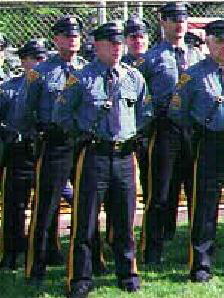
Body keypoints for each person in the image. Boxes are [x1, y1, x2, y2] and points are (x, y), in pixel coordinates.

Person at [56, 21, 152, 297]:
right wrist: (84, 135)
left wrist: (131, 134)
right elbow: (62, 114)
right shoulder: (82, 77)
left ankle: (127, 273)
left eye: (120, 43)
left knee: (125, 219)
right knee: (85, 220)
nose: (116, 48)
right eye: (111, 43)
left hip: (124, 156)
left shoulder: (134, 77)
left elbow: (145, 111)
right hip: (94, 154)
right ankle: (80, 278)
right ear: (97, 45)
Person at [168, 19, 224, 282]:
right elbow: (178, 111)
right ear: (208, 43)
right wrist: (199, 132)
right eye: (220, 41)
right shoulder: (193, 74)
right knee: (205, 206)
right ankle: (201, 264)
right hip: (210, 145)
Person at [19, 16, 89, 285]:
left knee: (85, 203)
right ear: (56, 40)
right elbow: (24, 111)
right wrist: (37, 136)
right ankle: (36, 265)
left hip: (82, 143)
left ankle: (89, 259)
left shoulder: (87, 69)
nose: (72, 40)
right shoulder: (41, 72)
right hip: (54, 142)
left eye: (75, 35)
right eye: (66, 35)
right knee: (46, 205)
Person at [139, 2, 203, 263]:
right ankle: (153, 248)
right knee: (160, 193)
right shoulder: (151, 58)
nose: (179, 25)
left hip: (195, 129)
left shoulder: (197, 56)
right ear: (163, 23)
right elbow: (138, 93)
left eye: (183, 19)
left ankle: (198, 245)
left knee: (197, 190)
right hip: (165, 129)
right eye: (173, 20)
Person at [0, 39, 47, 270]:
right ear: (23, 60)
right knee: (15, 205)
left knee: (46, 204)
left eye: (42, 58)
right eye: (35, 58)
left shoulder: (53, 87)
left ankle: (46, 249)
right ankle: (11, 251)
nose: (40, 63)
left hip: (45, 151)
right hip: (19, 154)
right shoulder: (9, 88)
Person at [121, 16, 150, 199]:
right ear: (126, 40)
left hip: (150, 130)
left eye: (141, 36)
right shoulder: (120, 64)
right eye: (133, 37)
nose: (138, 41)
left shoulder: (155, 60)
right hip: (126, 132)